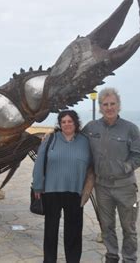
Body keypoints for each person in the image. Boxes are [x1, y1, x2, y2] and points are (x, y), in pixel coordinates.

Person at [82, 87, 140, 263]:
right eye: (105, 104)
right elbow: (75, 141)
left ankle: (129, 258)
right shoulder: (91, 127)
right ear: (101, 108)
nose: (109, 107)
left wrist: (125, 167)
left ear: (118, 106)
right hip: (102, 187)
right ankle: (111, 254)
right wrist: (52, 136)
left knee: (129, 227)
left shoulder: (130, 129)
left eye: (112, 104)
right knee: (106, 225)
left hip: (126, 187)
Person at [32, 110, 92, 263]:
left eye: (70, 121)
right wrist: (38, 186)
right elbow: (39, 163)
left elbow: (92, 165)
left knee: (73, 232)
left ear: (76, 123)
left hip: (75, 192)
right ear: (60, 124)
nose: (67, 124)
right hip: (51, 192)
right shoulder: (51, 139)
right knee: (50, 232)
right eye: (63, 121)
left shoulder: (85, 141)